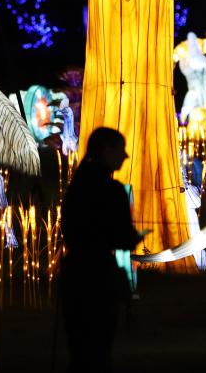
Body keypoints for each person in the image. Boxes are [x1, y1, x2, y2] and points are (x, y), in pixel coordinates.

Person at [60, 127, 144, 372]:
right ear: (107, 151)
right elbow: (123, 238)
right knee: (98, 349)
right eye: (120, 149)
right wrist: (134, 237)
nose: (125, 155)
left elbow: (68, 228)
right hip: (99, 278)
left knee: (79, 349)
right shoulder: (112, 191)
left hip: (74, 274)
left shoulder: (75, 186)